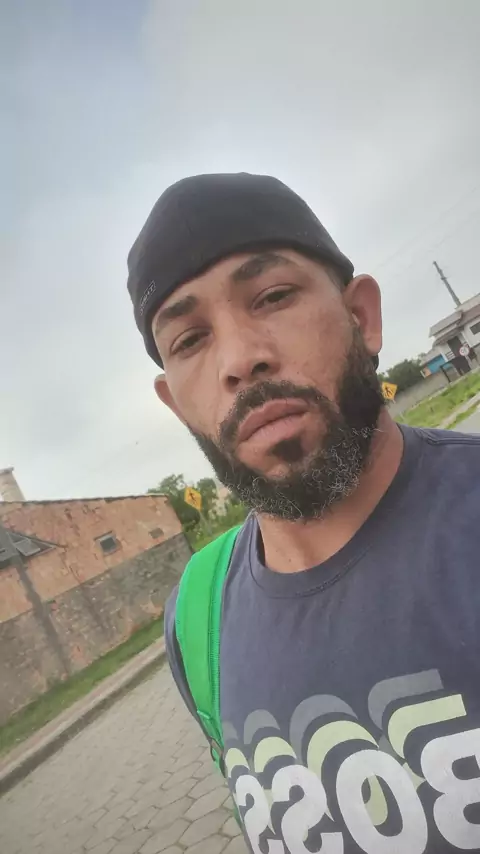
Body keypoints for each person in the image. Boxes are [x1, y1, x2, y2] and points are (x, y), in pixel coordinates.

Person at [127, 172, 480, 854]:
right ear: (176, 404)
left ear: (361, 317)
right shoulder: (196, 617)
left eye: (272, 296)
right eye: (190, 340)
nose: (240, 360)